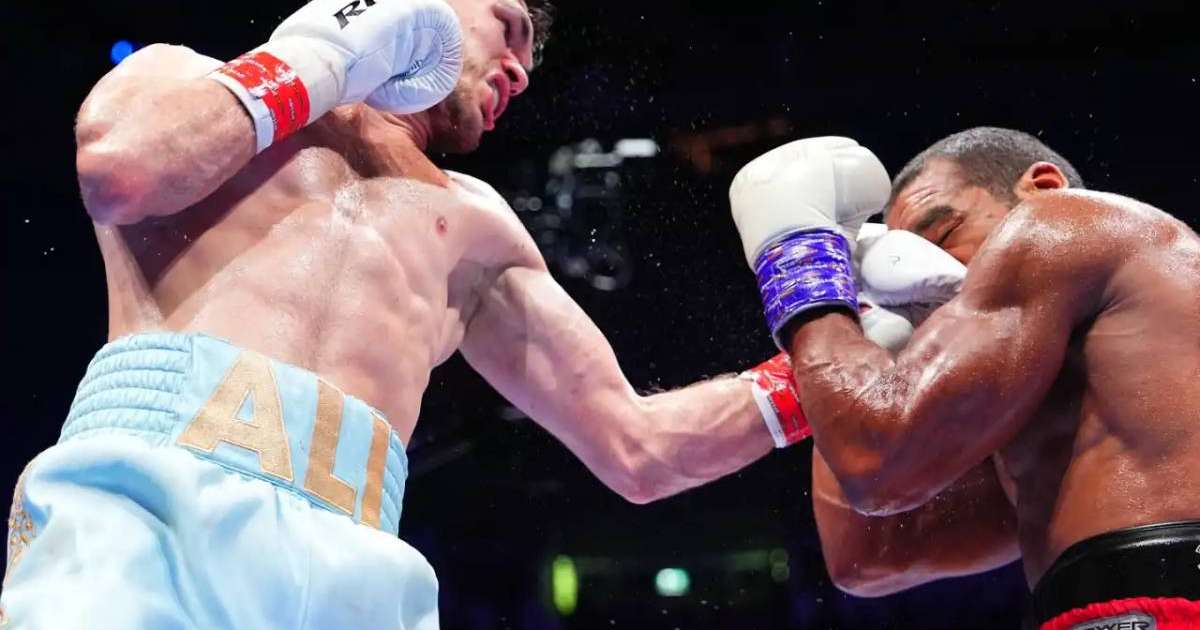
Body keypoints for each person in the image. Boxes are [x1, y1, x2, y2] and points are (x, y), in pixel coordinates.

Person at [0, 0, 836, 627]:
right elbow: (124, 171)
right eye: (508, 27)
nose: (522, 68)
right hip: (148, 501)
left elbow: (641, 450)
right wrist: (332, 47)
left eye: (530, 58)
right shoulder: (179, 78)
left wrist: (843, 345)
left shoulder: (475, 226)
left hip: (355, 564)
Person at [730, 128, 1200, 629]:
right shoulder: (1075, 425)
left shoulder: (1064, 219)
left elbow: (876, 463)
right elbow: (869, 556)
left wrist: (804, 267)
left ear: (1042, 187)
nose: (926, 275)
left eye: (943, 234)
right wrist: (867, 331)